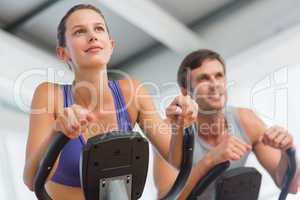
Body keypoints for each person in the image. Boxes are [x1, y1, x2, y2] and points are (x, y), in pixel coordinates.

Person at [22, 4, 198, 200]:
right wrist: (57, 132)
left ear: (111, 45)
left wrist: (183, 126)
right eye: (79, 31)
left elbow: (176, 160)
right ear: (63, 53)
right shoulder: (49, 95)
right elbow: (31, 180)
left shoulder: (132, 92)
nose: (92, 36)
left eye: (99, 28)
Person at [154, 49, 300, 199]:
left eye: (219, 76)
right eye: (204, 79)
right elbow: (168, 198)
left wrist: (288, 153)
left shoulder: (245, 120)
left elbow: (291, 186)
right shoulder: (170, 131)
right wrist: (210, 160)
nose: (215, 84)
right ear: (186, 92)